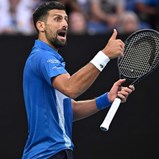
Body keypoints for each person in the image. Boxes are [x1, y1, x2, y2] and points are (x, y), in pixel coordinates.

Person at [22, 1, 135, 159]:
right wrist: (104, 55)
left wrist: (106, 99)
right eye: (57, 19)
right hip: (46, 154)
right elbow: (71, 89)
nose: (64, 24)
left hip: (58, 152)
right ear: (41, 26)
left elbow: (69, 110)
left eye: (66, 19)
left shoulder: (51, 60)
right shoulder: (42, 57)